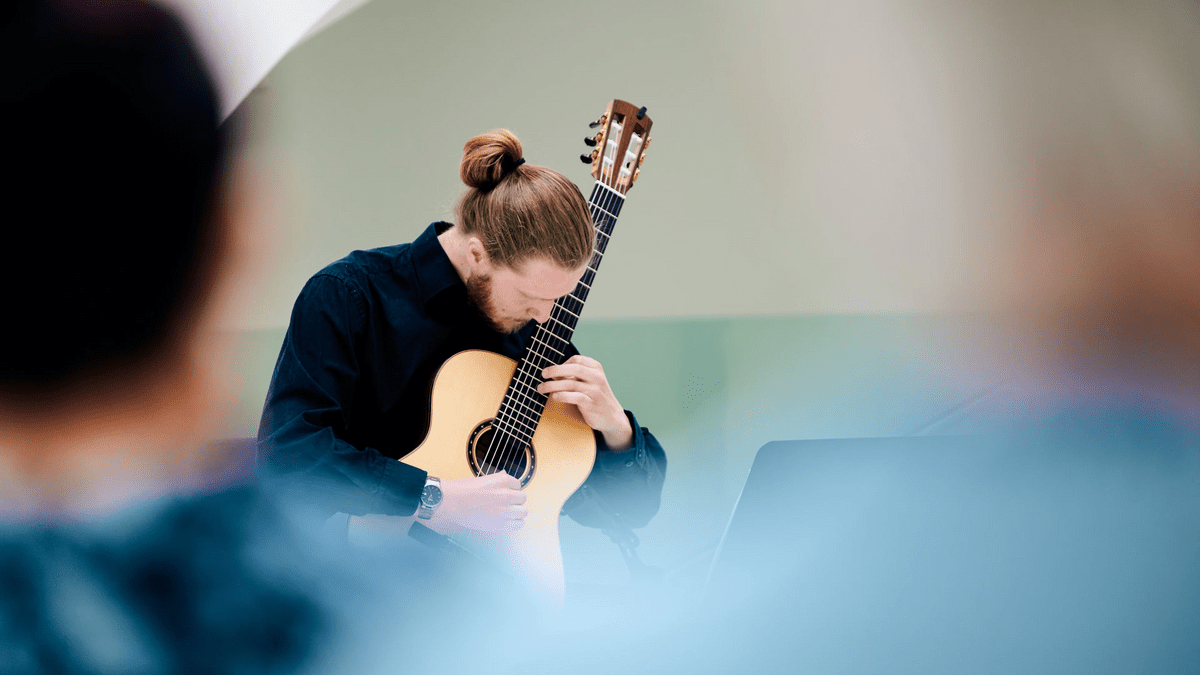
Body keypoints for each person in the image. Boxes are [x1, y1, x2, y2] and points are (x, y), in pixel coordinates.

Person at [258, 129, 666, 550]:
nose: (545, 316)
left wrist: (617, 430)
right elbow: (290, 456)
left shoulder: (537, 335)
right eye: (531, 297)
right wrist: (430, 498)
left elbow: (630, 511)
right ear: (477, 254)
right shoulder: (349, 296)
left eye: (557, 299)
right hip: (360, 575)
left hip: (497, 589)